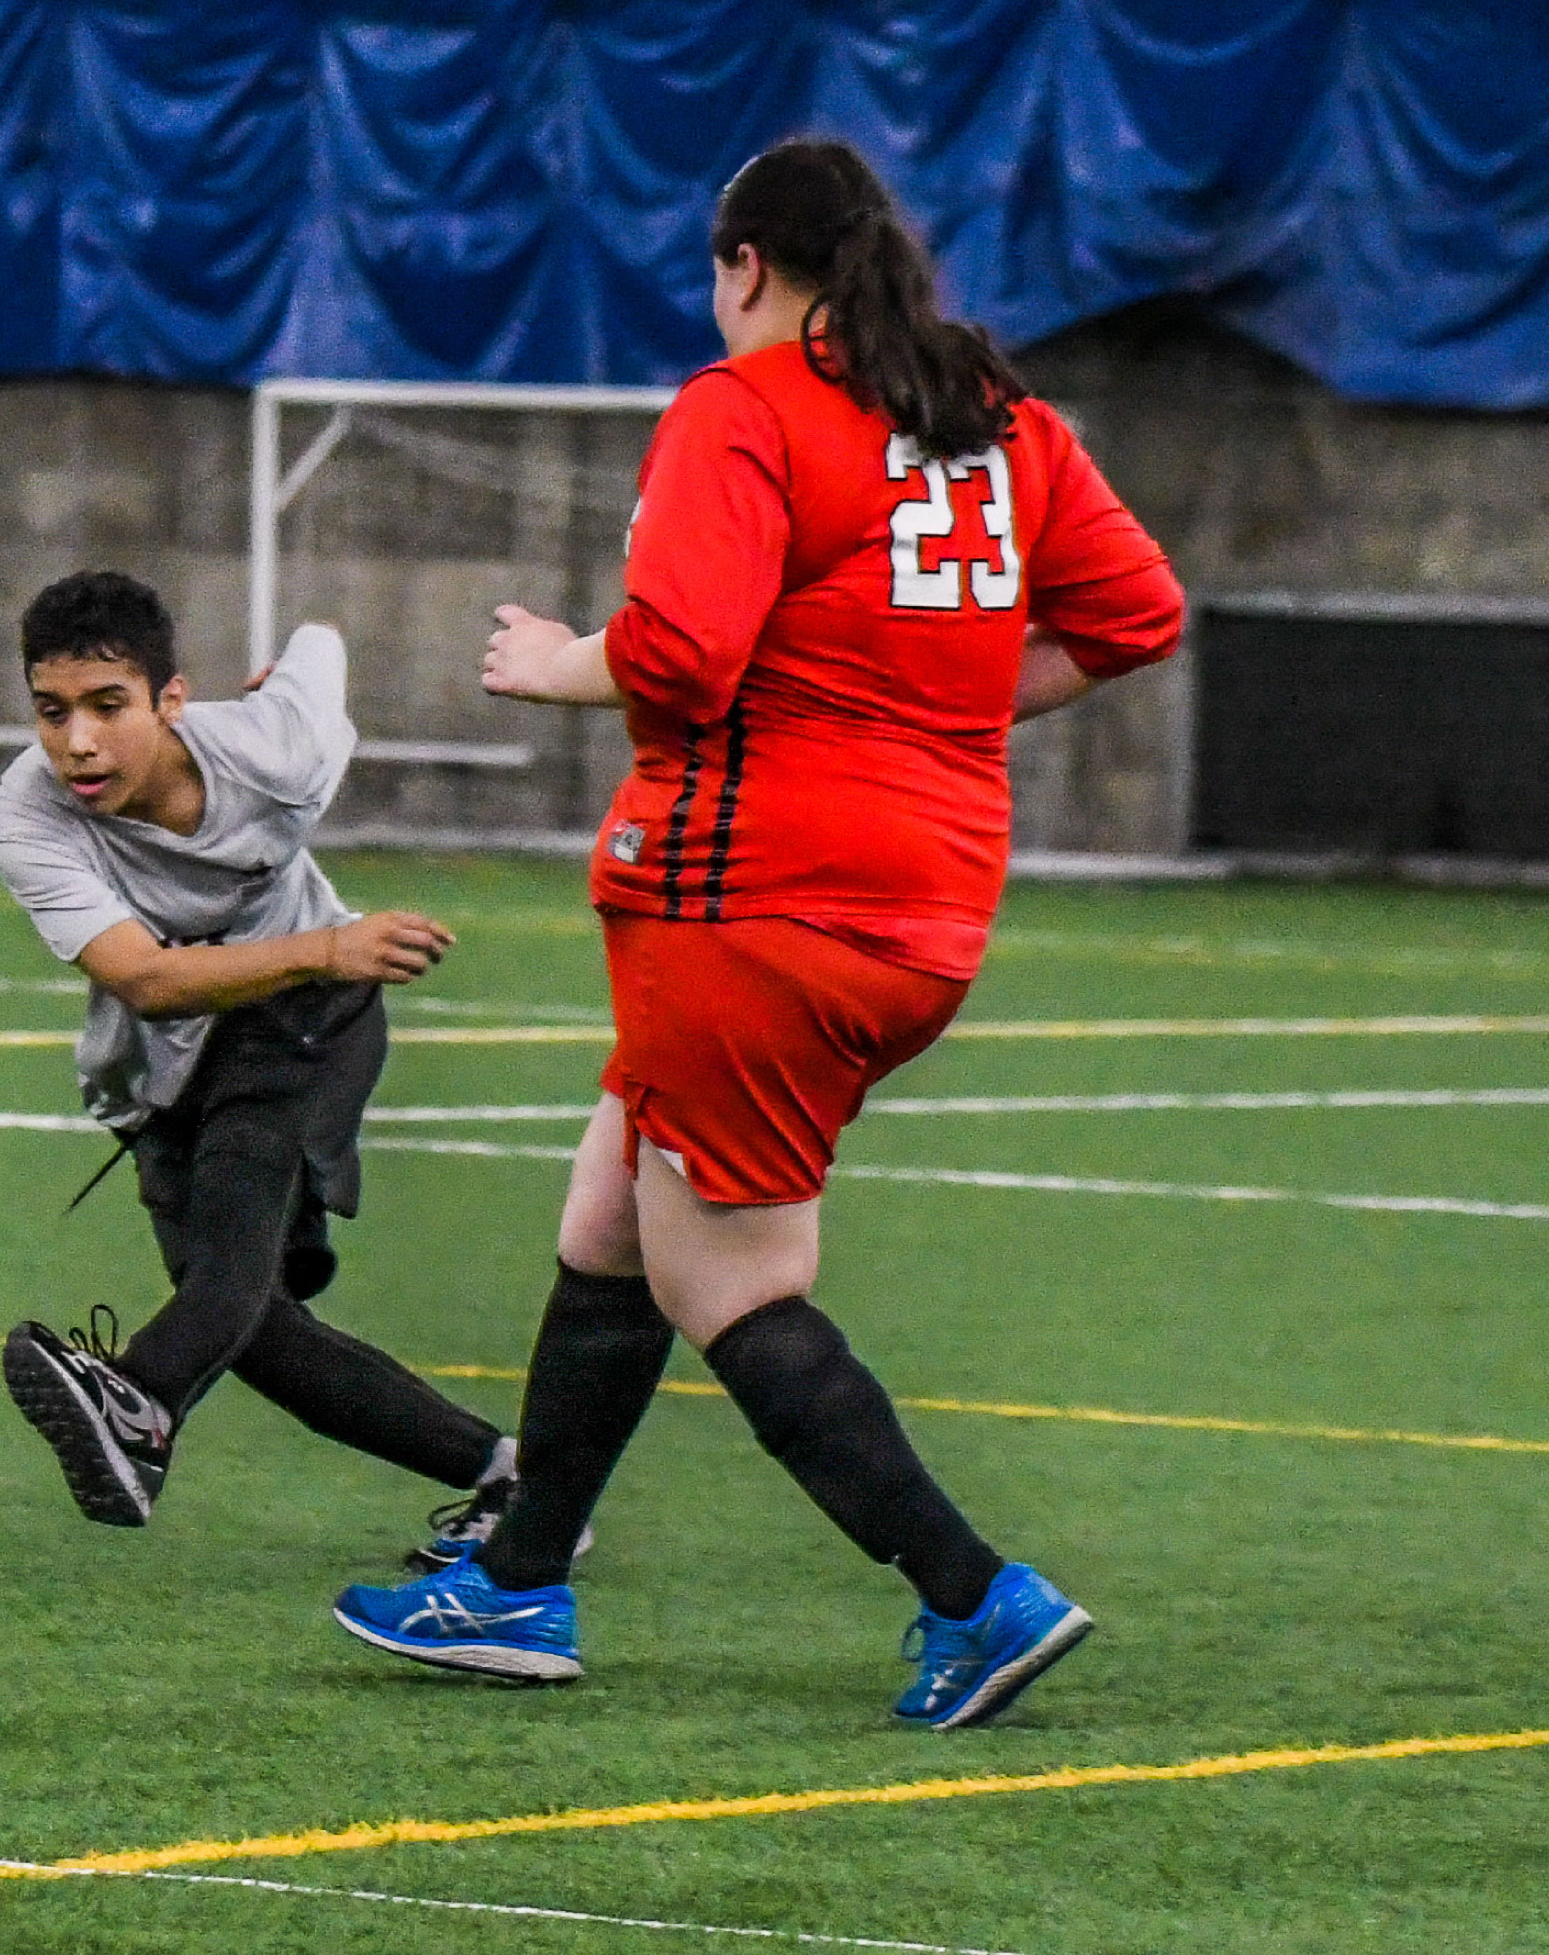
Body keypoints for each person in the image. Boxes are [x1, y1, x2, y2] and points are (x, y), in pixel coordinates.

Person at [332, 139, 1183, 1726]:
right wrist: (916, 710)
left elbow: (677, 660)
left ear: (742, 267)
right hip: (921, 911)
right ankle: (518, 1584)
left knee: (727, 1280)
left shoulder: (744, 408)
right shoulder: (1003, 422)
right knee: (610, 1218)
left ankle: (972, 1595)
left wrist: (551, 655)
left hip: (746, 904)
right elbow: (1135, 617)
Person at [0, 570, 529, 1548]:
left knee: (228, 1262)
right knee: (253, 1328)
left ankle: (137, 1403)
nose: (79, 741)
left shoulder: (282, 750)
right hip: (173, 1053)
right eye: (52, 710)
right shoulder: (28, 814)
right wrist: (331, 943)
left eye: (110, 706)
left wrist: (299, 658)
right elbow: (146, 979)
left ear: (173, 700)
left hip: (307, 1017)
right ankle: (511, 1480)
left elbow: (322, 639)